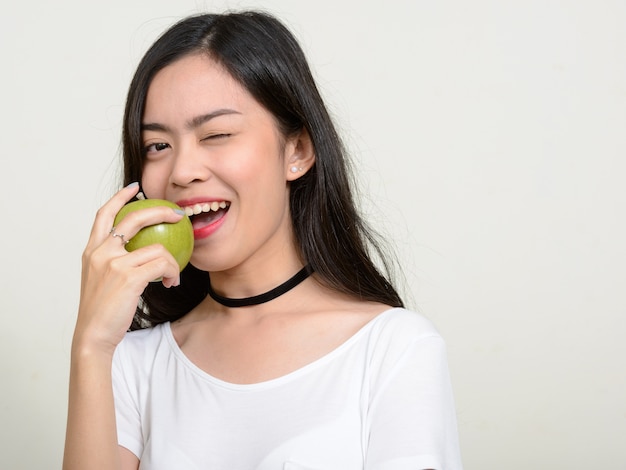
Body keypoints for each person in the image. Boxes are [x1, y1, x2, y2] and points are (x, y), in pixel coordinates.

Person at [63, 11, 463, 470]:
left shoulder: (394, 349)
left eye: (216, 134)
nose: (181, 172)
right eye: (157, 146)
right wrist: (91, 344)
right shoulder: (131, 364)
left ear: (298, 151)